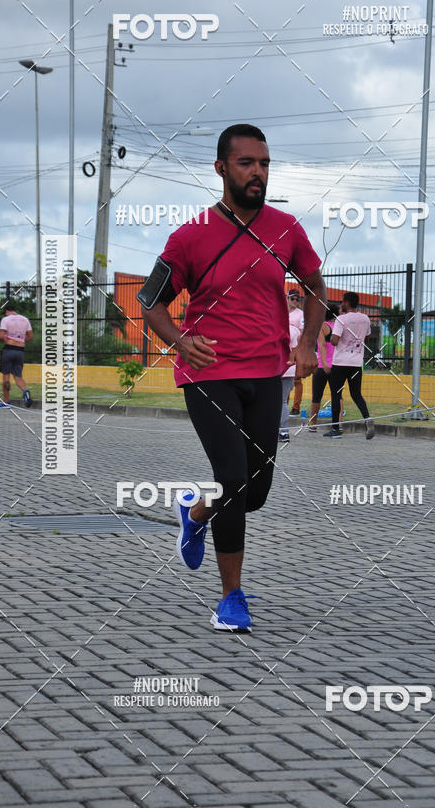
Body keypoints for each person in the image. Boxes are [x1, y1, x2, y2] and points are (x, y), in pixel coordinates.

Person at [139, 124, 326, 631]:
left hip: (267, 373)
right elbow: (148, 301)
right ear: (222, 168)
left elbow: (315, 287)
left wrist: (308, 341)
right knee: (233, 480)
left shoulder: (287, 228)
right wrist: (179, 341)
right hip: (208, 373)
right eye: (246, 163)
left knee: (256, 491)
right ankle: (232, 597)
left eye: (264, 164)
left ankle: (195, 515)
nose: (258, 173)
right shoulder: (190, 235)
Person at [325, 291, 375, 440]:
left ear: (346, 302)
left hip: (340, 363)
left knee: (336, 394)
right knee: (356, 394)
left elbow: (334, 341)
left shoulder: (341, 319)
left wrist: (329, 337)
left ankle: (335, 429)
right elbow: (366, 337)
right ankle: (367, 419)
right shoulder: (365, 319)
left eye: (342, 302)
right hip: (356, 363)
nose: (341, 304)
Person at [309, 303, 342, 432]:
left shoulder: (322, 326)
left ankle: (313, 425)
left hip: (322, 367)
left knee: (316, 397)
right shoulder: (339, 327)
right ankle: (338, 425)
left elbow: (321, 345)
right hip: (337, 366)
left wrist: (324, 362)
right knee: (337, 396)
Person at [0, 304, 33, 408]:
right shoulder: (25, 319)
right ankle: (25, 391)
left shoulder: (5, 319)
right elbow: (30, 336)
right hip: (20, 351)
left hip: (8, 349)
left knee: (6, 377)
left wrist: (5, 339)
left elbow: (0, 336)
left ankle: (7, 402)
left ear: (6, 311)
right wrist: (21, 340)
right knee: (18, 376)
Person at [279, 322, 301, 442]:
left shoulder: (278, 328)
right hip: (291, 368)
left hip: (278, 368)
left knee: (278, 402)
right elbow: (296, 350)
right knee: (282, 402)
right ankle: (283, 431)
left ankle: (282, 432)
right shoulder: (295, 330)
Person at [287, 289, 304, 415]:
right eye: (293, 298)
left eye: (297, 299)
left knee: (297, 379)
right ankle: (283, 404)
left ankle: (296, 407)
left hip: (296, 348)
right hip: (282, 349)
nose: (295, 301)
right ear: (287, 298)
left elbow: (302, 333)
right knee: (282, 377)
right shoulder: (281, 311)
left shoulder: (301, 314)